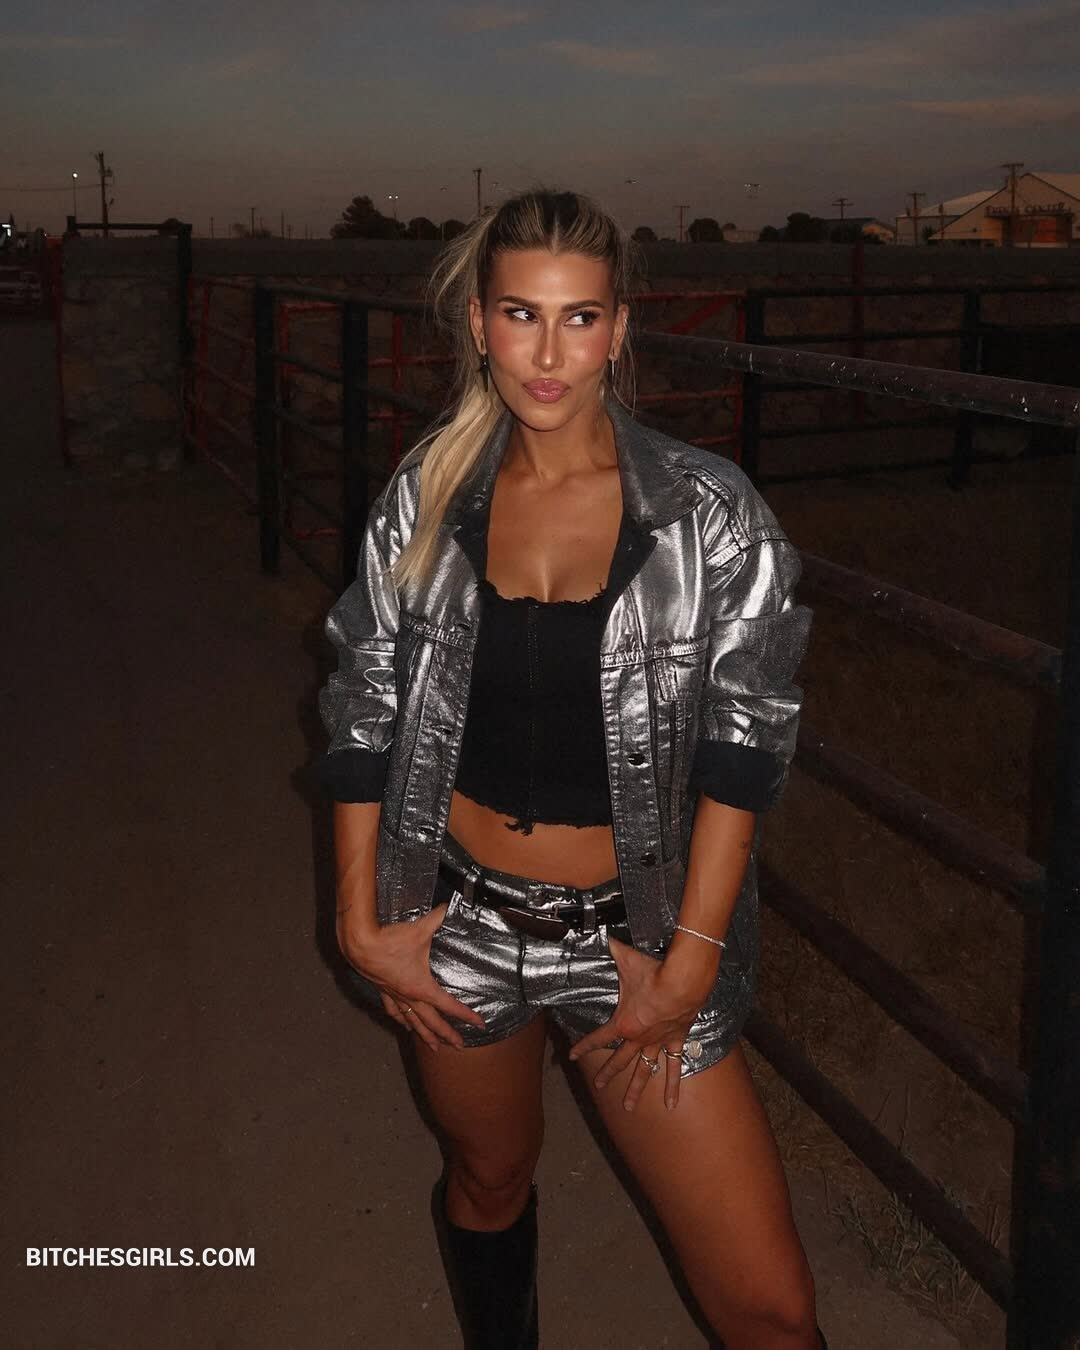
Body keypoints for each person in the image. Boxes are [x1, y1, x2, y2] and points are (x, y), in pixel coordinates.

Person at [315, 188, 825, 1349]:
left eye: (579, 318)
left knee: (769, 1309)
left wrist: (688, 963)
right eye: (522, 315)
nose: (549, 354)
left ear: (620, 329)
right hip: (458, 927)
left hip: (636, 940)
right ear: (479, 325)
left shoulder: (707, 513)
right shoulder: (425, 498)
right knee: (488, 1179)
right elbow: (361, 705)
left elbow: (747, 746)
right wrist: (360, 921)